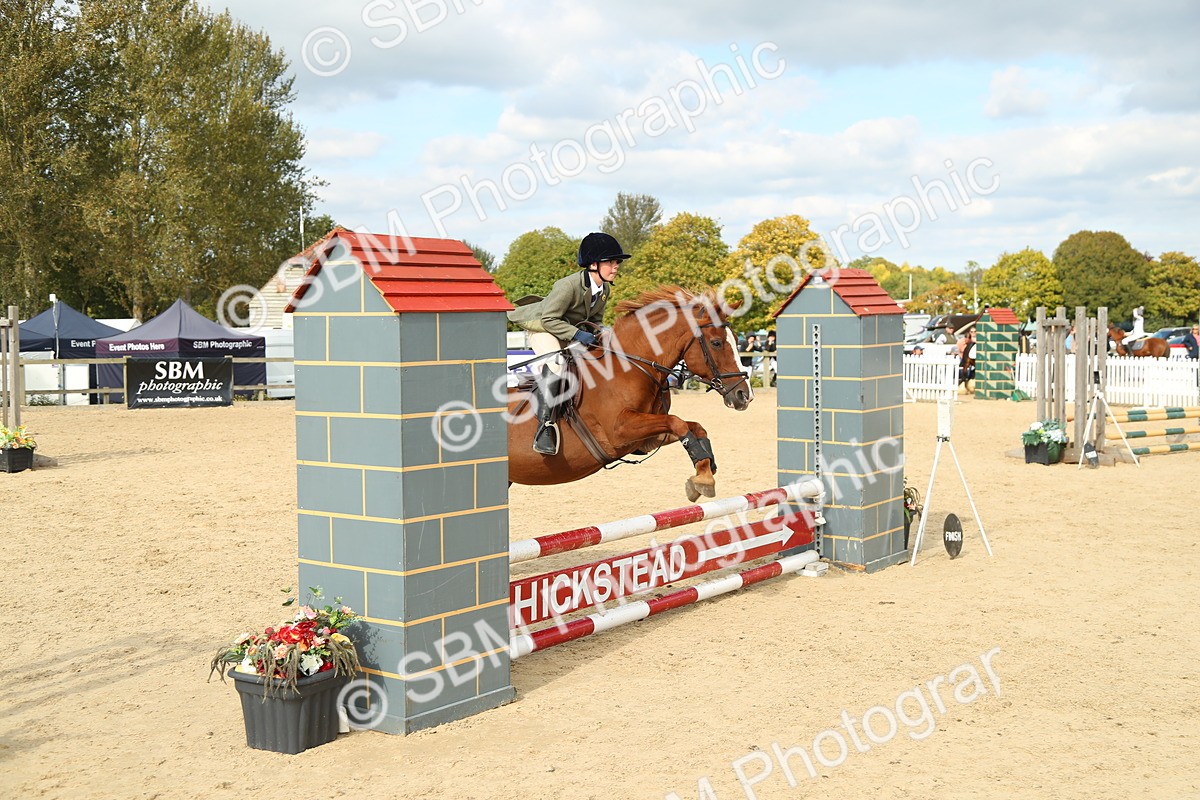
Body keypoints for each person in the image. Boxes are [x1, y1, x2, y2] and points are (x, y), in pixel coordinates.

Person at [507, 232, 630, 455]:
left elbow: (595, 320)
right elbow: (549, 319)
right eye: (611, 262)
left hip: (567, 332)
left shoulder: (605, 289)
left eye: (617, 262)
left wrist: (602, 333)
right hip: (543, 328)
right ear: (594, 264)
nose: (616, 267)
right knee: (556, 364)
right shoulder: (567, 286)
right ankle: (545, 426)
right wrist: (577, 334)